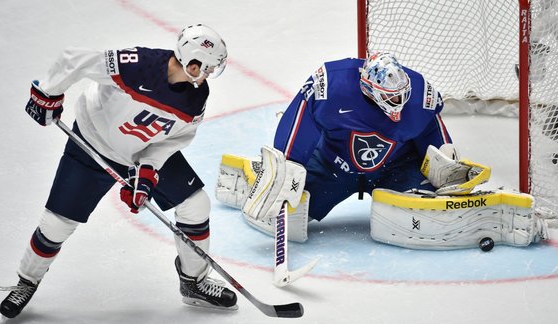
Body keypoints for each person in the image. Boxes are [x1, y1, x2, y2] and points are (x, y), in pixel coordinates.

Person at [0, 24, 237, 320]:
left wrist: (147, 171)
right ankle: (26, 282)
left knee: (195, 205)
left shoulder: (195, 97)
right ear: (192, 61)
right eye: (209, 68)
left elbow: (174, 139)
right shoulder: (138, 65)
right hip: (92, 145)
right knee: (56, 225)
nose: (210, 75)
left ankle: (194, 282)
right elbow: (75, 59)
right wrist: (48, 93)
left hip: (141, 152)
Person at [215, 51, 552, 250]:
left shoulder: (418, 94)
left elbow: (433, 137)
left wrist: (445, 165)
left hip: (395, 169)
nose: (399, 103)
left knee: (433, 210)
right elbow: (299, 118)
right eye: (390, 98)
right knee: (294, 214)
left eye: (401, 94)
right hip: (334, 166)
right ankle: (254, 182)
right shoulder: (332, 84)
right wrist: (287, 163)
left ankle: (494, 217)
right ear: (367, 89)